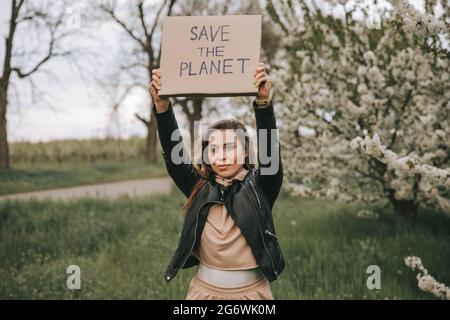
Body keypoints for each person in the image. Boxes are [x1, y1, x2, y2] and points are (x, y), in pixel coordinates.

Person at [149, 63, 285, 300]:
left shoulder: (260, 186)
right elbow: (174, 155)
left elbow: (271, 155)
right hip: (204, 293)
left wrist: (263, 105)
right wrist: (162, 108)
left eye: (229, 147)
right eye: (213, 149)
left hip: (251, 295)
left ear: (245, 152)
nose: (220, 156)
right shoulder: (199, 187)